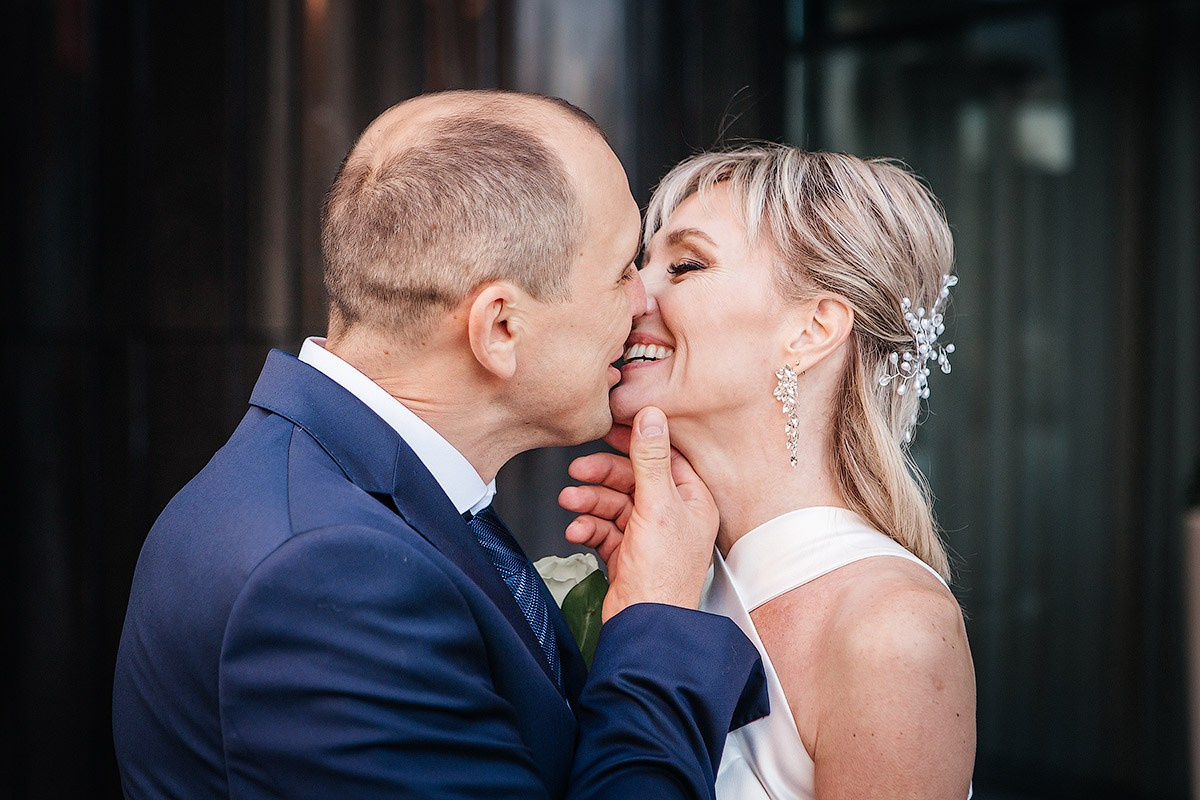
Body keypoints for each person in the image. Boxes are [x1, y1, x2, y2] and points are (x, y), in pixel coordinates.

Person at [112, 90, 767, 799]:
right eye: (619, 272)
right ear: (500, 329)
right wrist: (658, 614)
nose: (645, 301)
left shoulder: (351, 493)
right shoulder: (327, 575)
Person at [561, 144, 976, 798]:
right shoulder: (654, 575)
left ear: (812, 329)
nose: (634, 293)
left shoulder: (892, 627)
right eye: (641, 264)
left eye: (686, 265)